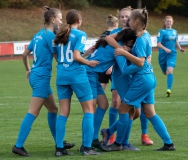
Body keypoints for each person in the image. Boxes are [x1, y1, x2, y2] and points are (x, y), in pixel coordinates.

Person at [101, 8, 176, 152]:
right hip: (149, 79)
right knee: (149, 113)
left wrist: (123, 52)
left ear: (136, 21)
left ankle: (118, 143)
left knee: (123, 109)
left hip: (142, 80)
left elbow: (141, 62)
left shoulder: (141, 39)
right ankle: (168, 143)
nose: (127, 22)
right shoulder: (145, 35)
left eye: (129, 19)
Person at [12, 6, 74, 157]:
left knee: (53, 110)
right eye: (59, 19)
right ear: (52, 20)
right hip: (41, 78)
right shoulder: (50, 37)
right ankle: (18, 146)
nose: (61, 21)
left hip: (37, 76)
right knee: (33, 112)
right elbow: (58, 58)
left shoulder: (38, 35)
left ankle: (59, 142)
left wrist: (28, 69)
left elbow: (24, 54)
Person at [53, 9, 100, 156]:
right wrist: (88, 62)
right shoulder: (81, 34)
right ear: (79, 21)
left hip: (62, 75)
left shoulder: (61, 34)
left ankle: (59, 148)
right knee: (89, 110)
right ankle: (86, 147)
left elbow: (59, 55)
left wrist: (85, 53)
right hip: (77, 76)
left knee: (63, 112)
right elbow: (75, 57)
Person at [105, 6, 153, 146]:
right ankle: (118, 140)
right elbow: (109, 42)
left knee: (136, 111)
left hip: (134, 74)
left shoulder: (137, 33)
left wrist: (130, 52)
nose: (125, 19)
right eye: (122, 17)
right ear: (119, 19)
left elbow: (143, 53)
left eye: (128, 17)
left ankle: (115, 134)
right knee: (118, 104)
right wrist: (122, 49)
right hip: (121, 73)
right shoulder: (118, 32)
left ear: (134, 20)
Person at [85, 28, 137, 150]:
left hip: (92, 74)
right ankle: (87, 143)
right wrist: (130, 54)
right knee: (90, 109)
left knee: (103, 104)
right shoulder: (118, 48)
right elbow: (124, 66)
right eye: (133, 43)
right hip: (88, 74)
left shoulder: (111, 43)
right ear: (129, 41)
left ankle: (93, 138)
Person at [157, 15, 186, 97]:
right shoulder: (161, 32)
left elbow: (176, 41)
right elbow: (158, 44)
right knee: (164, 72)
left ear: (172, 22)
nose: (169, 22)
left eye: (170, 21)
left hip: (172, 54)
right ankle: (165, 73)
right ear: (164, 22)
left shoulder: (174, 31)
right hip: (163, 54)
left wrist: (180, 48)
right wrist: (165, 49)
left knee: (170, 71)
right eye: (167, 21)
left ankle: (168, 89)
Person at [97, 14, 118, 90]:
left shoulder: (102, 35)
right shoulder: (114, 35)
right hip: (112, 65)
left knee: (101, 89)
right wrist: (110, 66)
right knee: (117, 89)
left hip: (102, 64)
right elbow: (114, 51)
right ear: (116, 24)